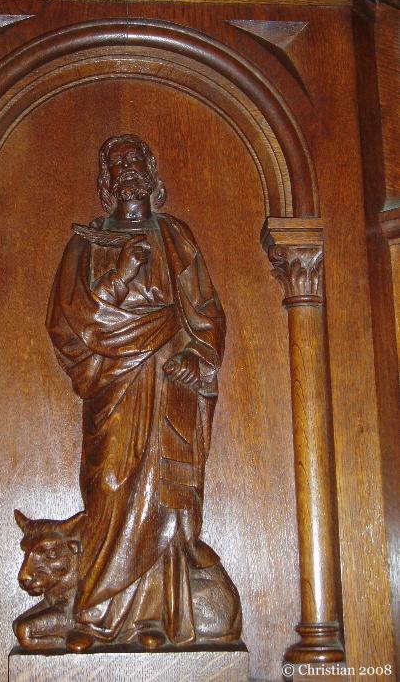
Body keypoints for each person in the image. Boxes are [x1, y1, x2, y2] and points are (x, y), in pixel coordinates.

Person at [45, 134, 240, 651]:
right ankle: (94, 613)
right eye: (117, 164)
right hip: (114, 382)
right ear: (106, 181)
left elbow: (205, 311)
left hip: (167, 381)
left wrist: (197, 357)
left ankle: (155, 618)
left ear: (151, 172)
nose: (128, 169)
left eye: (136, 160)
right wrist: (121, 276)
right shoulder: (86, 243)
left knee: (162, 495)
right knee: (109, 484)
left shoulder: (175, 236)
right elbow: (68, 320)